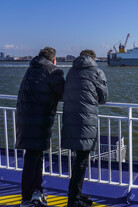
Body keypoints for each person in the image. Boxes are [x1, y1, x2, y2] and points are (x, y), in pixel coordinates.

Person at [16, 47, 65, 207]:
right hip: (40, 120)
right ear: (54, 59)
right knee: (33, 159)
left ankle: (36, 192)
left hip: (25, 119)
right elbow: (63, 93)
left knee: (34, 156)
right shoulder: (53, 71)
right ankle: (27, 198)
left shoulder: (31, 69)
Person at [61, 49, 108, 207]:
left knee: (78, 160)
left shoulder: (71, 71)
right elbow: (104, 98)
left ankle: (76, 195)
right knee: (81, 161)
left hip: (70, 118)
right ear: (93, 59)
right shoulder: (97, 72)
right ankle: (73, 200)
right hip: (86, 121)